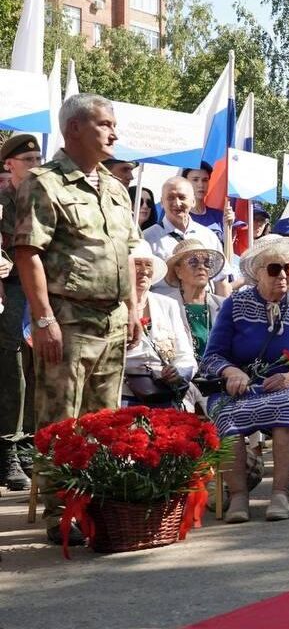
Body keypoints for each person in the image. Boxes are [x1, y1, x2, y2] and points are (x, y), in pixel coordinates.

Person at [13, 93, 143, 545]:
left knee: (103, 421)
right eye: (104, 124)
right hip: (67, 319)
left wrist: (133, 308)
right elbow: (27, 254)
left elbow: (126, 252)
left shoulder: (114, 187)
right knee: (60, 422)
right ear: (74, 130)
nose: (114, 133)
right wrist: (43, 318)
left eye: (113, 124)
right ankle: (61, 513)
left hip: (111, 319)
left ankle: (97, 504)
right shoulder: (44, 183)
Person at [201, 236, 289, 523]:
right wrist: (231, 372)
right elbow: (212, 357)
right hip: (241, 388)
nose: (283, 275)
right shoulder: (234, 305)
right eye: (274, 269)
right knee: (225, 413)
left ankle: (281, 494)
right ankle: (238, 497)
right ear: (256, 272)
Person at [0, 133, 40, 491]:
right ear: (9, 164)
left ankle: (29, 443)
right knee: (13, 373)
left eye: (38, 160)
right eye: (28, 161)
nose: (35, 166)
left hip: (40, 294)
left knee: (37, 367)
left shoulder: (44, 200)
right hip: (10, 294)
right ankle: (7, 449)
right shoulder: (2, 202)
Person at [123, 244, 197, 409]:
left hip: (165, 392)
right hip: (125, 393)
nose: (143, 270)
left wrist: (177, 373)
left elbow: (186, 355)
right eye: (137, 264)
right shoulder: (115, 307)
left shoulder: (168, 304)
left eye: (148, 264)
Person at [143, 177, 227, 287]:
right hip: (163, 302)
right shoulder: (147, 238)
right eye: (170, 198)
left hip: (204, 302)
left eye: (182, 197)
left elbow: (220, 281)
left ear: (193, 201)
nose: (177, 203)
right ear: (162, 202)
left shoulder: (208, 236)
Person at [155, 239, 226, 360]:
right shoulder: (164, 305)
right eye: (193, 262)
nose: (201, 267)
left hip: (220, 373)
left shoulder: (224, 305)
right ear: (178, 271)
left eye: (207, 262)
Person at [182, 162, 224, 237]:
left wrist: (230, 229)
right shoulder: (179, 216)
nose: (201, 185)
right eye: (195, 180)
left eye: (205, 180)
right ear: (185, 182)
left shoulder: (220, 216)